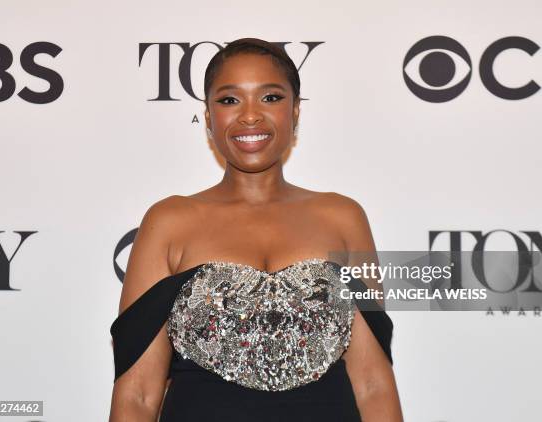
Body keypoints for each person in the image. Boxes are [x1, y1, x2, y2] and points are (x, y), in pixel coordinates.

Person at [108, 37, 403, 422]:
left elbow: (372, 384)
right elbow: (138, 395)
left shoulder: (343, 217)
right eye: (230, 100)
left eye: (271, 98)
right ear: (209, 116)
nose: (250, 116)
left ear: (295, 111)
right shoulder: (169, 221)